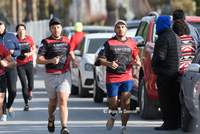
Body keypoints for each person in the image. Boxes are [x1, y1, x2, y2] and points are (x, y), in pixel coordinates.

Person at [95, 20, 141, 134]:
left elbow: (136, 55)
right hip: (112, 78)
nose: (121, 29)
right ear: (115, 30)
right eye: (118, 27)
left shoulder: (131, 43)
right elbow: (98, 60)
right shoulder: (109, 43)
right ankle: (113, 115)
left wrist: (138, 61)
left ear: (126, 29)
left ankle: (123, 127)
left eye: (123, 27)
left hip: (127, 77)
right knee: (113, 104)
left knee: (126, 103)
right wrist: (109, 63)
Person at [36, 17, 78, 134]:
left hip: (64, 75)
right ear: (50, 29)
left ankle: (64, 127)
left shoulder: (66, 40)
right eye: (53, 28)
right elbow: (38, 60)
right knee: (53, 103)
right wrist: (50, 61)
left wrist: (73, 60)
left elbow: (70, 52)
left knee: (63, 100)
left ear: (61, 28)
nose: (56, 30)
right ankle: (51, 118)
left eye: (58, 27)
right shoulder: (45, 42)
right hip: (50, 76)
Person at [151, 15, 182, 130]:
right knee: (173, 99)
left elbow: (160, 56)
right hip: (174, 73)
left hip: (164, 74)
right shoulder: (175, 36)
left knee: (165, 100)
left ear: (160, 24)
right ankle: (175, 123)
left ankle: (168, 124)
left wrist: (152, 62)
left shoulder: (163, 37)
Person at [173, 19, 196, 128]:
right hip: (191, 71)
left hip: (180, 71)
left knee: (177, 98)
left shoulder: (176, 40)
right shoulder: (191, 39)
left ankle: (178, 121)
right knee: (186, 97)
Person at [0, 18, 21, 121]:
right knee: (2, 92)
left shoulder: (12, 36)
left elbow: (19, 50)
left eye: (1, 25)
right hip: (0, 69)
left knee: (13, 91)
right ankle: (3, 112)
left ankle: (8, 106)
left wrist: (14, 52)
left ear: (4, 26)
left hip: (11, 65)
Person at [16, 24, 37, 111]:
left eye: (23, 29)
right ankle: (26, 104)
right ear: (17, 31)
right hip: (19, 64)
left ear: (25, 31)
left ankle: (30, 90)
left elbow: (34, 49)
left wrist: (29, 54)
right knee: (24, 84)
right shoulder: (14, 39)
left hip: (29, 63)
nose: (21, 31)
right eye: (19, 30)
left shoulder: (29, 38)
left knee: (31, 85)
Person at [0, 44, 16, 119]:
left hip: (1, 77)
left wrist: (6, 64)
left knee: (0, 104)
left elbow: (13, 62)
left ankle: (7, 107)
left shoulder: (2, 48)